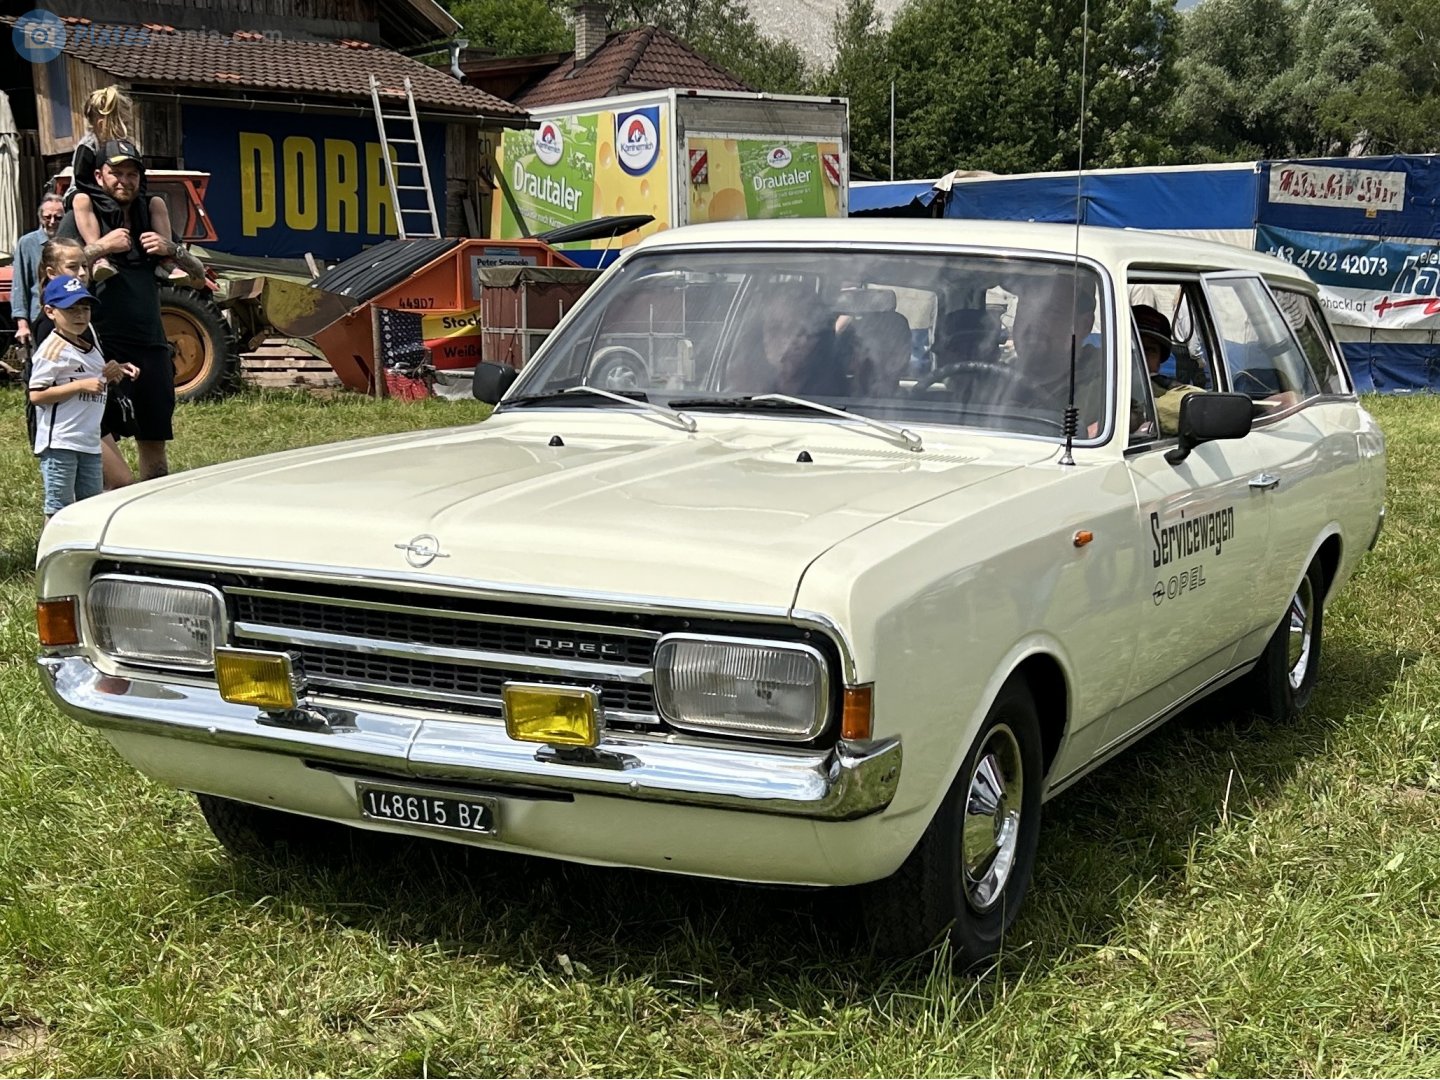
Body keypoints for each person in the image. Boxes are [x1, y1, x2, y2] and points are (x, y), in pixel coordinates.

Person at [58, 138, 203, 481]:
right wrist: (100, 248)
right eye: (116, 173)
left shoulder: (150, 213)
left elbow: (198, 278)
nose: (124, 180)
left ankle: (151, 506)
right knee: (102, 449)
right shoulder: (80, 216)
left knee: (155, 446)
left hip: (152, 348)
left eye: (131, 174)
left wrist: (173, 250)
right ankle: (107, 505)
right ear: (99, 175)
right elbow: (54, 277)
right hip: (101, 350)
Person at [30, 236, 137, 490]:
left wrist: (113, 369)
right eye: (72, 267)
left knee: (101, 488)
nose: (81, 273)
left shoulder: (81, 316)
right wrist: (83, 384)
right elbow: (45, 382)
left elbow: (81, 363)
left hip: (89, 417)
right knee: (117, 481)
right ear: (51, 272)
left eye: (85, 266)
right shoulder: (51, 324)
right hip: (66, 427)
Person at [67, 86, 186, 284]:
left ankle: (165, 258)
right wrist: (108, 203)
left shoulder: (128, 145)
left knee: (156, 202)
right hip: (88, 191)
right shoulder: (88, 145)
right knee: (81, 200)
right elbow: (82, 179)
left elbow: (141, 178)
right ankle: (98, 254)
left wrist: (139, 200)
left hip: (120, 197)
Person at [1007, 273, 1107, 435]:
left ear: (1085, 325)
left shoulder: (1108, 383)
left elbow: (1141, 413)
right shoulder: (991, 379)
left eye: (1051, 311)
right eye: (1027, 307)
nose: (1034, 322)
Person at [729, 288, 847, 397]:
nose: (788, 341)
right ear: (761, 335)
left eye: (800, 331)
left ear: (819, 337)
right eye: (775, 329)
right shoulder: (739, 393)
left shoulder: (842, 398)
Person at [1133, 304, 1204, 437]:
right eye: (1133, 347)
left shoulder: (1164, 391)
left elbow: (1200, 405)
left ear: (1160, 360)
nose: (1140, 356)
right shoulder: (1098, 378)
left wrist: (1138, 415)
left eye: (1149, 350)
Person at [9, 194, 64, 347]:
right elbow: (20, 284)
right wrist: (22, 324)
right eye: (47, 217)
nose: (52, 222)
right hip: (39, 318)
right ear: (40, 217)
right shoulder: (27, 243)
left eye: (58, 218)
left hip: (68, 315)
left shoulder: (70, 242)